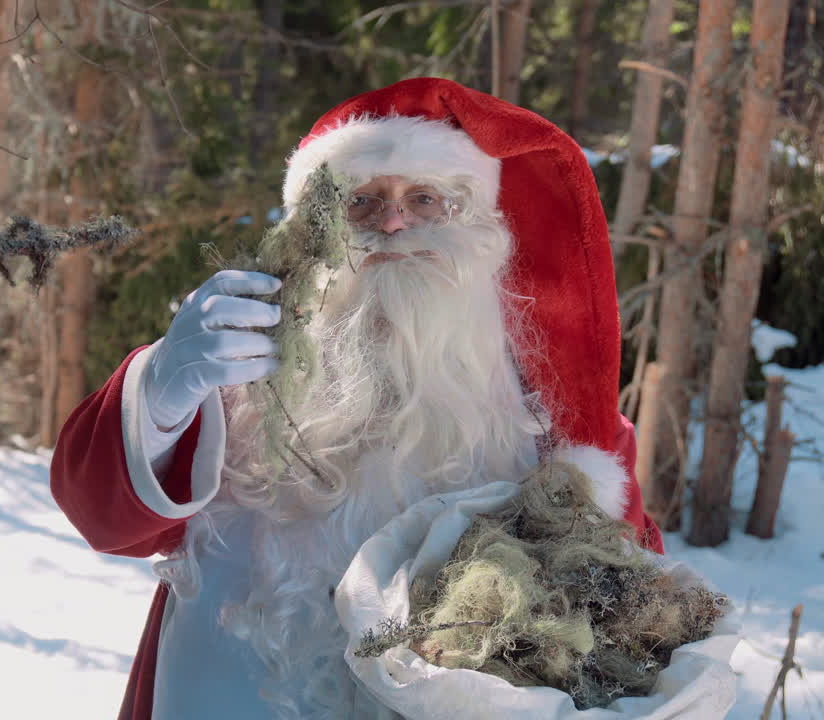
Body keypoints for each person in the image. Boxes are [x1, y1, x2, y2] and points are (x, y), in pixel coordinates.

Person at [51, 77, 663, 720]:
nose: (394, 222)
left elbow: (627, 621)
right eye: (362, 203)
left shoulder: (557, 429)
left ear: (481, 230)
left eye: (426, 199)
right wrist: (158, 392)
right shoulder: (234, 374)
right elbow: (99, 516)